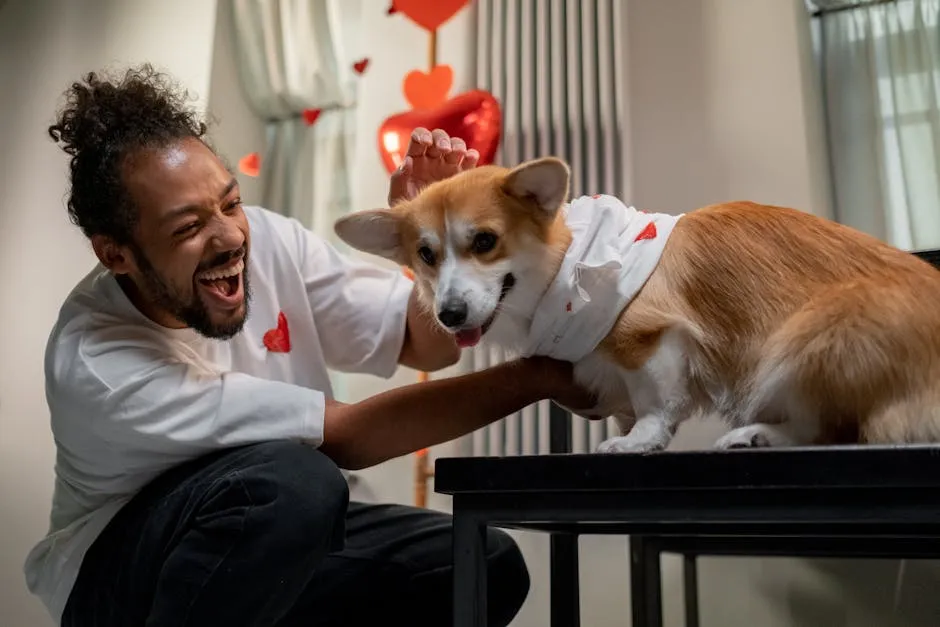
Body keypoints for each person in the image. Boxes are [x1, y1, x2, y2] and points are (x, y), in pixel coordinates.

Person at [22, 64, 594, 627]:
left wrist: (428, 249)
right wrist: (537, 376)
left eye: (230, 202)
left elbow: (428, 347)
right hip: (119, 577)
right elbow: (345, 438)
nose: (228, 237)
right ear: (116, 254)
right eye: (187, 227)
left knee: (482, 564)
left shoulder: (267, 240)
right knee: (294, 480)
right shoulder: (97, 361)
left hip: (271, 534)